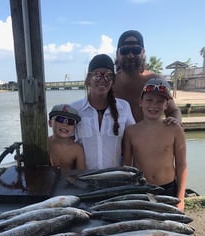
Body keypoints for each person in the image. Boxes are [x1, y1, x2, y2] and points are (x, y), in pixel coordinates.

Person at [123, 78, 187, 211]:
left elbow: (181, 165)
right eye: (149, 100)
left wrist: (180, 198)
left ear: (166, 105)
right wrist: (127, 192)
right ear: (141, 102)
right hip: (140, 189)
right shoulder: (131, 131)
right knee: (143, 228)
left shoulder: (175, 129)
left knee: (168, 228)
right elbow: (127, 167)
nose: (154, 105)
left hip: (168, 189)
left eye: (160, 101)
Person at [71, 54, 135, 170]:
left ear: (113, 80)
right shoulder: (74, 109)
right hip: (84, 179)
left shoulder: (124, 107)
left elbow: (134, 138)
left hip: (114, 179)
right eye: (97, 75)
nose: (102, 80)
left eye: (108, 76)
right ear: (88, 79)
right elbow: (64, 142)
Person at [113, 30, 182, 124]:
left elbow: (173, 111)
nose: (130, 55)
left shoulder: (155, 81)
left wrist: (175, 124)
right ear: (117, 53)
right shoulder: (110, 84)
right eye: (124, 51)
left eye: (136, 50)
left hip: (149, 137)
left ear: (143, 53)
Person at [48, 104, 86, 174]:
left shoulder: (77, 150)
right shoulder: (43, 144)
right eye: (60, 119)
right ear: (50, 123)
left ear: (74, 127)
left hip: (68, 183)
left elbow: (81, 174)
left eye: (70, 122)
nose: (65, 124)